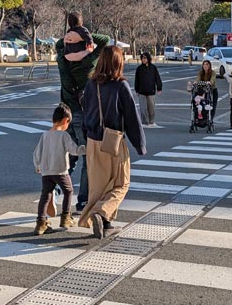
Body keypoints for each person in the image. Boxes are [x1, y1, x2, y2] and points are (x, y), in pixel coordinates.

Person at [78, 45, 146, 239]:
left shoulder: (91, 85)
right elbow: (132, 117)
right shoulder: (120, 86)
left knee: (99, 187)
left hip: (93, 141)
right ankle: (101, 213)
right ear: (118, 62)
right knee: (121, 183)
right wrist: (139, 144)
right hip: (112, 141)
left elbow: (85, 112)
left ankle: (105, 223)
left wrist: (87, 135)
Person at [56, 27, 112, 213]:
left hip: (66, 114)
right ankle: (82, 201)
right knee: (87, 158)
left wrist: (70, 34)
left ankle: (55, 191)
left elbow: (58, 44)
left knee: (68, 157)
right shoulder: (89, 61)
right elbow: (105, 39)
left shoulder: (62, 59)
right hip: (83, 114)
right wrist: (84, 34)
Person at [32, 103, 87, 235]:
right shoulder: (63, 135)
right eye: (69, 123)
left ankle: (40, 223)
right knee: (68, 191)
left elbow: (36, 153)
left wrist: (38, 165)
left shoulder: (45, 135)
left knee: (45, 195)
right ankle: (66, 217)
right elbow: (74, 150)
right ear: (65, 120)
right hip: (60, 171)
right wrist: (86, 148)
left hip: (46, 172)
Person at [134, 52, 163, 128]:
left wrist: (159, 88)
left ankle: (151, 122)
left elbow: (157, 78)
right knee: (143, 109)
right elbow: (136, 80)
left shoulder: (153, 68)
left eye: (145, 58)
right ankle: (144, 122)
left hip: (151, 91)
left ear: (148, 59)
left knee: (151, 108)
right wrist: (136, 90)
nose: (143, 60)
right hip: (141, 91)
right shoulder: (139, 69)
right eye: (142, 58)